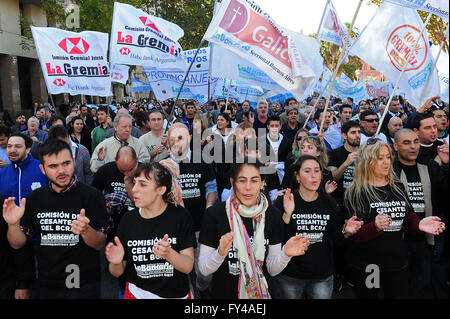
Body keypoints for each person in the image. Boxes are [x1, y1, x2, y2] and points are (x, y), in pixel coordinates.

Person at [3, 139, 108, 298]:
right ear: (42, 169)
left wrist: (86, 230)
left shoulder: (93, 196)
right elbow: (17, 244)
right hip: (47, 284)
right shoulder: (34, 199)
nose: (61, 171)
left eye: (66, 163)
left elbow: (100, 243)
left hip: (84, 284)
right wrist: (13, 225)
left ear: (73, 162)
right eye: (53, 166)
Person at [344, 138, 445, 299]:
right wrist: (374, 227)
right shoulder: (356, 192)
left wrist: (419, 225)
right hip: (370, 265)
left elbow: (408, 218)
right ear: (368, 161)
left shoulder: (397, 186)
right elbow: (354, 235)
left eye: (388, 157)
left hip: (397, 263)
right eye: (380, 158)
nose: (386, 162)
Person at [198, 159, 310, 299]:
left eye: (254, 180)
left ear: (262, 183)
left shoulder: (272, 215)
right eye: (242, 180)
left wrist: (285, 254)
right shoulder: (215, 214)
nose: (248, 187)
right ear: (232, 182)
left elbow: (272, 270)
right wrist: (220, 253)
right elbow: (203, 269)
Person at [271, 155, 363, 299]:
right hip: (290, 275)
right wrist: (287, 214)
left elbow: (336, 239)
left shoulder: (329, 203)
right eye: (307, 171)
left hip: (321, 276)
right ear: (297, 176)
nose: (314, 176)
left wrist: (346, 231)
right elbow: (276, 238)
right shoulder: (285, 200)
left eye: (317, 171)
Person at [106, 162, 195, 299]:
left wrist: (169, 253)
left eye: (142, 184)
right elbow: (116, 272)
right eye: (134, 183)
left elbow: (188, 266)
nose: (134, 189)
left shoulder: (181, 216)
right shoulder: (128, 219)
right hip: (137, 294)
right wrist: (116, 262)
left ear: (161, 190)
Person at [392, 129, 448, 299]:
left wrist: (446, 166)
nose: (413, 147)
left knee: (424, 286)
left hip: (427, 240)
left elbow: (445, 195)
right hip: (398, 240)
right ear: (395, 146)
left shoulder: (429, 166)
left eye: (416, 142)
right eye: (406, 142)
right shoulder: (389, 169)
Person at [0, 133, 48, 205]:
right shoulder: (2, 173)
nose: (12, 150)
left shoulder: (43, 169)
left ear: (28, 149)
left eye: (18, 146)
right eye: (9, 146)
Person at [328, 120, 361, 209]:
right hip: (341, 201)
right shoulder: (335, 153)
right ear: (344, 135)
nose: (357, 135)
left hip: (360, 200)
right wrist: (346, 163)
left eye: (359, 132)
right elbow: (333, 177)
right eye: (353, 132)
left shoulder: (366, 152)